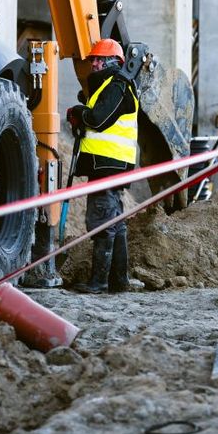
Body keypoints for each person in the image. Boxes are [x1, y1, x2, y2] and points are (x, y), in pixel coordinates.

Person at [66, 38, 143, 293]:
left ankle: (99, 282)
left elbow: (98, 120)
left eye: (99, 59)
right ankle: (118, 281)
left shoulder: (116, 86)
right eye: (93, 59)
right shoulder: (109, 86)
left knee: (101, 219)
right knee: (115, 221)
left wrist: (80, 113)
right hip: (110, 165)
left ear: (114, 62)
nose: (94, 63)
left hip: (108, 166)